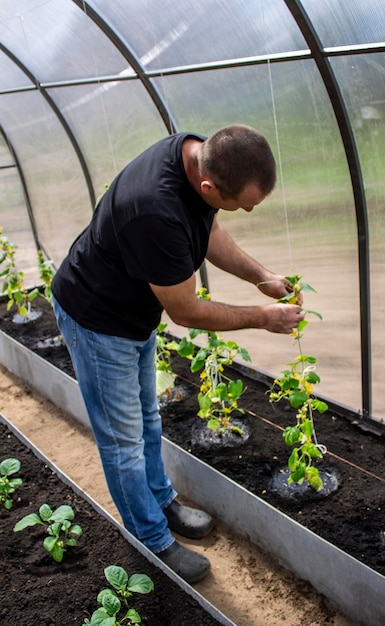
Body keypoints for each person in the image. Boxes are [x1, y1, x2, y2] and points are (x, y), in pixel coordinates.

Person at [51, 124, 303, 584]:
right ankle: (151, 540)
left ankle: (160, 500)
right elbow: (186, 310)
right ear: (208, 186)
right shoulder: (155, 211)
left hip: (130, 315)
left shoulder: (195, 154)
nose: (248, 209)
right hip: (98, 321)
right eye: (244, 202)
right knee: (123, 442)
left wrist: (260, 276)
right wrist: (263, 317)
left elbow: (207, 229)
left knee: (148, 419)